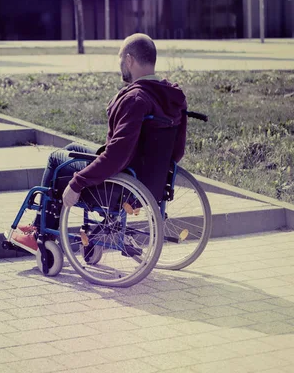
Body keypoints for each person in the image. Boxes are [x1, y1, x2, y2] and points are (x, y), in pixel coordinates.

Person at [11, 33, 188, 253]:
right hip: (146, 179)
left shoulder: (136, 99)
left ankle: (40, 233)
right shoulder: (170, 96)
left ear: (130, 60)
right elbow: (177, 151)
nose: (119, 65)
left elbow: (116, 155)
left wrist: (77, 182)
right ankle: (41, 223)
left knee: (56, 159)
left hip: (119, 182)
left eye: (120, 58)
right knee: (71, 150)